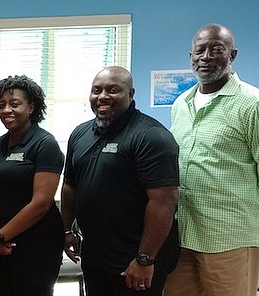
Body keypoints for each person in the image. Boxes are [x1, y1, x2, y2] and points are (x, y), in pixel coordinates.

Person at [164, 24, 259, 296]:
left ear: (232, 55)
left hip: (231, 236)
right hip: (185, 234)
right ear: (191, 56)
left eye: (217, 49)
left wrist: (254, 214)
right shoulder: (181, 104)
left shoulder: (255, 105)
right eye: (200, 50)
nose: (206, 56)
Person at [61, 66, 180, 295]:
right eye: (97, 90)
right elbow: (70, 185)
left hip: (134, 261)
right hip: (95, 255)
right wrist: (66, 230)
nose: (103, 96)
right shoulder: (80, 134)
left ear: (131, 94)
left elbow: (164, 202)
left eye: (113, 90)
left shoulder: (152, 136)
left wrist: (145, 260)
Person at [0, 75, 64, 296]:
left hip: (36, 245)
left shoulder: (45, 144)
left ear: (31, 107)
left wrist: (0, 237)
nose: (7, 110)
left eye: (15, 104)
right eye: (1, 105)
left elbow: (41, 203)